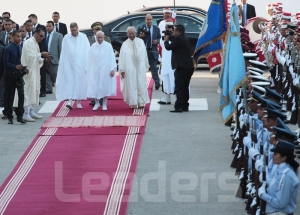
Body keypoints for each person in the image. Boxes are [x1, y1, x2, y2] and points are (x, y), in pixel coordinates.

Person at [258, 140, 299, 215]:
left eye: (275, 154)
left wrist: (263, 195)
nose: (272, 156)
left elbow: (281, 203)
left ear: (284, 158)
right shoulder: (280, 170)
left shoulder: (286, 175)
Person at [55, 22, 90, 109]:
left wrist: (87, 63)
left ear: (77, 28)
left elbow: (87, 50)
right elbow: (64, 51)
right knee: (69, 82)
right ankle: (70, 101)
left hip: (81, 63)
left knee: (79, 81)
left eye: (74, 30)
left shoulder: (83, 37)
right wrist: (63, 63)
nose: (73, 32)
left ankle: (79, 101)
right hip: (69, 64)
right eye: (72, 30)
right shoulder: (66, 37)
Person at [19, 28, 50, 122]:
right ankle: (26, 113)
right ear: (35, 34)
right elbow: (29, 56)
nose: (42, 38)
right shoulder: (29, 42)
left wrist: (44, 59)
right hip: (28, 71)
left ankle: (32, 111)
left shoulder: (35, 43)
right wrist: (41, 54)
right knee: (28, 92)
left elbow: (36, 58)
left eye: (43, 36)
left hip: (35, 71)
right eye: (40, 36)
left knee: (35, 90)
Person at [164, 24, 194, 112]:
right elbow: (176, 43)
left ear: (179, 32)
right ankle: (185, 105)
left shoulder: (178, 39)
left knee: (179, 87)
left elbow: (168, 47)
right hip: (188, 66)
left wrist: (166, 40)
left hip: (181, 67)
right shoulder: (184, 38)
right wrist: (170, 38)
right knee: (185, 87)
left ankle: (179, 106)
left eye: (175, 30)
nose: (173, 32)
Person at [118, 26, 150, 108]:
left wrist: (146, 65)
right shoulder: (124, 44)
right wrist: (122, 70)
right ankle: (133, 103)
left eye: (133, 33)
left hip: (140, 68)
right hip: (130, 69)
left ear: (135, 33)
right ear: (127, 34)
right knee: (131, 85)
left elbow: (145, 54)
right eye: (130, 33)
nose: (131, 35)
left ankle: (141, 102)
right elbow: (121, 58)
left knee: (141, 83)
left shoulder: (140, 41)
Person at [86, 31, 117, 111]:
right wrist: (88, 69)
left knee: (104, 87)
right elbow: (89, 58)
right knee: (94, 86)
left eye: (101, 37)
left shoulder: (108, 46)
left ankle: (104, 104)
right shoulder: (93, 46)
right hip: (95, 70)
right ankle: (96, 103)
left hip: (105, 70)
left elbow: (111, 58)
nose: (99, 39)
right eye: (98, 37)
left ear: (104, 37)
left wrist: (112, 69)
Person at [3, 30, 26, 124]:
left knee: (21, 95)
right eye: (17, 36)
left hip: (18, 75)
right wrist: (15, 66)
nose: (19, 38)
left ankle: (20, 116)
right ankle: (10, 116)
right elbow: (5, 62)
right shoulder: (8, 48)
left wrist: (24, 68)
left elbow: (21, 60)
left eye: (20, 36)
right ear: (12, 37)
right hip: (9, 75)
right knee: (10, 96)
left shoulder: (21, 48)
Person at [137, 14, 161, 90]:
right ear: (145, 20)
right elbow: (136, 38)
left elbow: (160, 38)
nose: (149, 21)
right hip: (143, 51)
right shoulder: (140, 28)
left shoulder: (156, 28)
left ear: (152, 20)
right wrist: (141, 37)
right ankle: (141, 83)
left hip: (153, 51)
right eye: (148, 19)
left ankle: (157, 82)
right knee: (142, 68)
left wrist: (157, 41)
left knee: (154, 68)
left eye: (150, 19)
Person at [158, 8, 175, 105]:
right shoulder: (163, 35)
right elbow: (161, 45)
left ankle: (178, 98)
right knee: (165, 77)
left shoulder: (177, 37)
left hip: (174, 62)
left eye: (170, 27)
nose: (168, 29)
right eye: (166, 27)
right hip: (165, 60)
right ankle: (166, 97)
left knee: (175, 79)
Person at [28, 14, 47, 97]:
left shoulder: (42, 27)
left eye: (31, 20)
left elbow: (43, 40)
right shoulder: (30, 30)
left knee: (42, 74)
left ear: (35, 19)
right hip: (33, 52)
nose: (30, 22)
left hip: (41, 51)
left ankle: (43, 90)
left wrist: (43, 54)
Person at [45, 21, 63, 94]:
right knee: (46, 75)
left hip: (54, 59)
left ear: (53, 27)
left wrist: (60, 60)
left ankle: (60, 89)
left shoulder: (58, 35)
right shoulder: (44, 35)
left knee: (55, 74)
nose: (48, 27)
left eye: (49, 26)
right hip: (45, 58)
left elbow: (60, 48)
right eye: (47, 26)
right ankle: (49, 88)